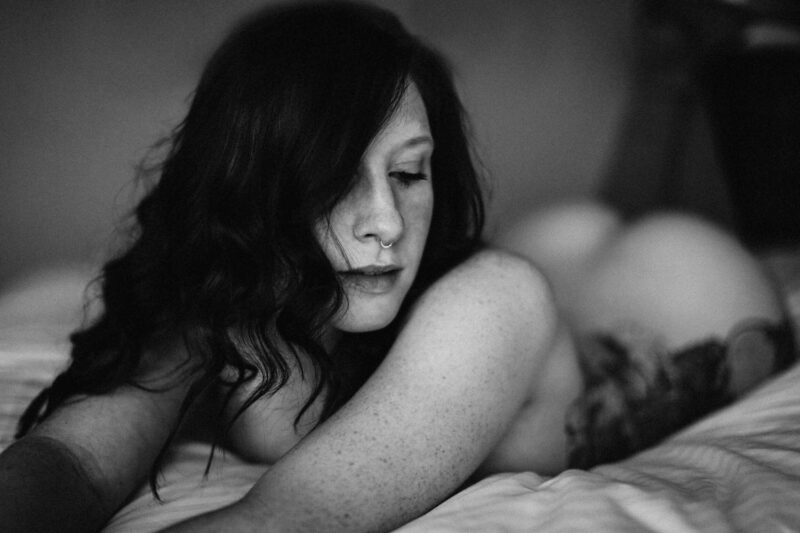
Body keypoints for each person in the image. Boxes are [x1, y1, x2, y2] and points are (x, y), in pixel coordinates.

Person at [0, 2, 794, 532]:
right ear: (258, 186)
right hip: (562, 268)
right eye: (338, 177)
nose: (385, 221)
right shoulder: (226, 300)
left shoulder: (492, 298)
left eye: (411, 172)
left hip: (685, 292)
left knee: (734, 165)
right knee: (573, 231)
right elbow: (76, 459)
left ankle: (722, 42)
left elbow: (287, 518)